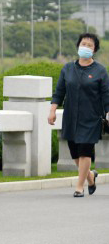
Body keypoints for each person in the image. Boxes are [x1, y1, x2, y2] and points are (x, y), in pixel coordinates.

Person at [48, 33, 109, 197]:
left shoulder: (100, 71)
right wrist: (52, 111)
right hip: (70, 117)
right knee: (75, 152)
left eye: (90, 45)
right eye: (84, 44)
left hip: (91, 118)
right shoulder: (68, 68)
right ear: (78, 46)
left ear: (94, 49)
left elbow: (106, 95)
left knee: (85, 151)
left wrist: (108, 113)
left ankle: (79, 186)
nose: (86, 47)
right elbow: (59, 92)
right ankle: (90, 176)